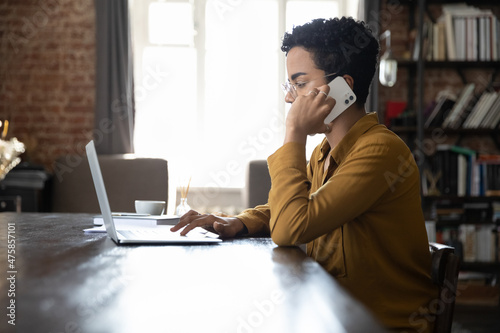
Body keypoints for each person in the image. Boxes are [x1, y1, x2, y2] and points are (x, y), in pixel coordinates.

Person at [171, 17, 438, 333]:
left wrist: (294, 131)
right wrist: (239, 222)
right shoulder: (324, 152)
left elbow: (290, 227)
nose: (288, 98)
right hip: (332, 313)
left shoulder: (380, 150)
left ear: (342, 88)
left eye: (298, 84)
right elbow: (297, 207)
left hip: (379, 325)